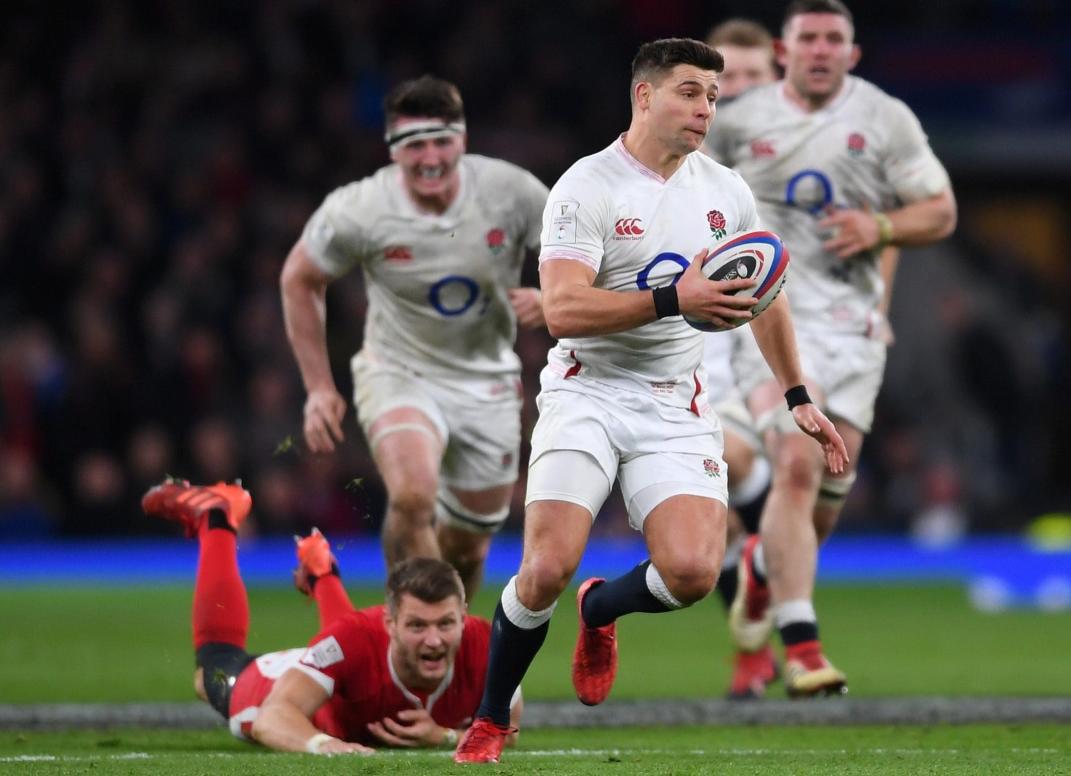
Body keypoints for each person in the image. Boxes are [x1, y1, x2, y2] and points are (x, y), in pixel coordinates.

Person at [453, 38, 849, 764]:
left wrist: (797, 395)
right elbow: (565, 310)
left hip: (674, 401)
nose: (705, 110)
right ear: (645, 96)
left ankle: (600, 609)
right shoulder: (587, 186)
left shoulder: (725, 190)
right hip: (589, 393)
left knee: (696, 572)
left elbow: (767, 296)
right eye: (691, 93)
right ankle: (489, 719)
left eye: (712, 98)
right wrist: (675, 297)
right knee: (544, 567)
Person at [706, 0, 957, 697]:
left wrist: (879, 224)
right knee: (794, 461)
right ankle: (804, 647)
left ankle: (761, 569)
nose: (819, 49)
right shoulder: (737, 124)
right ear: (785, 51)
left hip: (852, 328)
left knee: (823, 495)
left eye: (833, 39)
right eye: (807, 37)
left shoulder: (885, 118)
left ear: (853, 52)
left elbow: (939, 211)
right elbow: (677, 190)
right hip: (769, 314)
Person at [280, 76, 549, 602]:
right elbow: (299, 278)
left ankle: (441, 639)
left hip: (487, 381)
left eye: (440, 141)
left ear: (463, 139)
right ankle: (428, 640)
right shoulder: (359, 207)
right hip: (398, 371)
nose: (429, 157)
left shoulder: (512, 192)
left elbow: (583, 257)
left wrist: (551, 299)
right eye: (414, 145)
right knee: (411, 497)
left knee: (467, 550)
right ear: (393, 150)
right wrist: (318, 387)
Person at [141, 478, 519, 754]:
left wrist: (445, 736)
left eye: (446, 624)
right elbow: (273, 718)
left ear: (464, 616)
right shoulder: (356, 638)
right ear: (389, 623)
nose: (434, 640)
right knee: (212, 670)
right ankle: (217, 519)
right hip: (291, 687)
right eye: (417, 625)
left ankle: (321, 573)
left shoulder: (490, 647)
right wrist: (325, 746)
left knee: (348, 651)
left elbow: (511, 731)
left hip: (344, 662)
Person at [703, 16, 783, 700]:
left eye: (757, 78)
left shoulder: (800, 163)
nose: (743, 93)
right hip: (714, 347)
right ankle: (757, 647)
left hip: (791, 342)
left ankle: (775, 632)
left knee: (792, 489)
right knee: (719, 512)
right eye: (731, 82)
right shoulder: (688, 168)